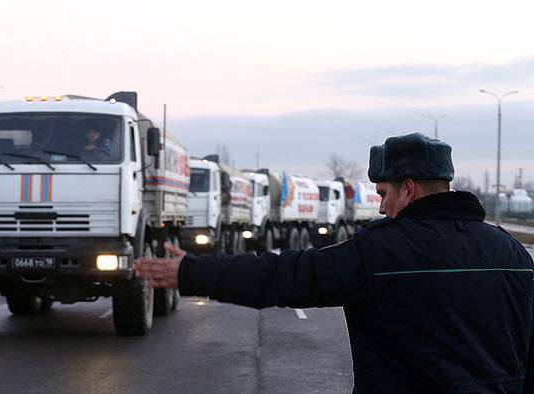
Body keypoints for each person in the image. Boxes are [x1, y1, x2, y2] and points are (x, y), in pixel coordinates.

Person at [135, 132, 534, 393]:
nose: (380, 205)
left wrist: (192, 271)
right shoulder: (512, 254)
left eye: (383, 193)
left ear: (408, 189)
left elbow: (288, 275)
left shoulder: (380, 253)